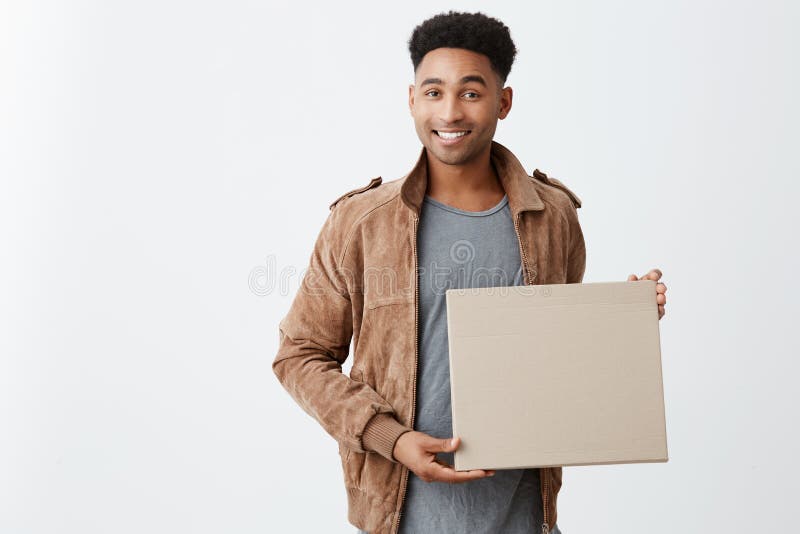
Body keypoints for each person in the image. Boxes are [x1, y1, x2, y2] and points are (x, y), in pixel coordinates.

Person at [273, 10, 668, 534]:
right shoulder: (359, 223)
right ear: (411, 99)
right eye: (433, 92)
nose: (451, 111)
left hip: (523, 514)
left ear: (503, 102)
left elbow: (554, 361)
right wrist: (390, 437)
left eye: (471, 92)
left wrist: (622, 324)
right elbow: (299, 356)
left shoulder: (554, 217)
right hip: (400, 514)